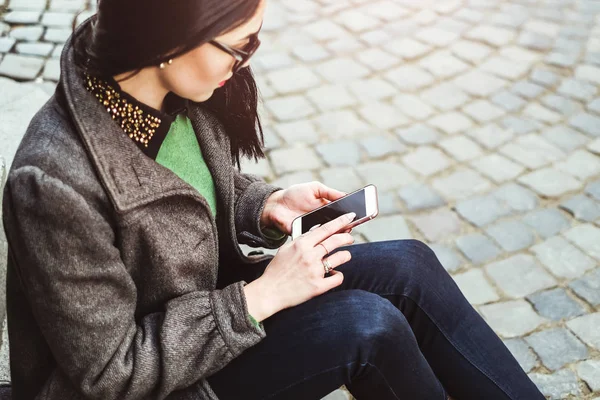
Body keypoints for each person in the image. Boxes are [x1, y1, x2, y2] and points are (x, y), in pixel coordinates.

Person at [1, 0, 546, 399]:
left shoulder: (156, 85)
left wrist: (262, 205)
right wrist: (261, 298)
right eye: (241, 46)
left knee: (409, 265)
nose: (246, 62)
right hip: (158, 383)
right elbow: (110, 371)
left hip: (203, 319)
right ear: (171, 41)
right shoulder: (52, 184)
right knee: (367, 328)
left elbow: (177, 192)